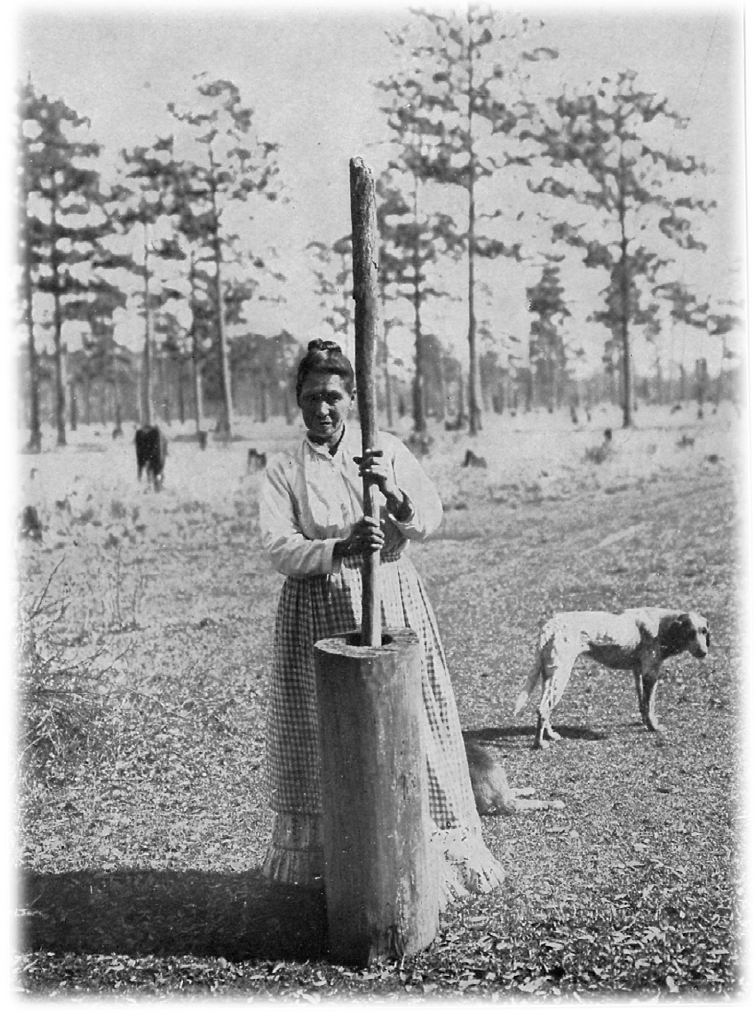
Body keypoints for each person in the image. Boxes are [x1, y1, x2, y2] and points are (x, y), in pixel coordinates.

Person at [258, 338, 504, 906]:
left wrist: (392, 493)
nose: (323, 410)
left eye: (334, 398)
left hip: (390, 597)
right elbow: (278, 547)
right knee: (327, 735)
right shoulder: (283, 470)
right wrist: (339, 547)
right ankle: (331, 868)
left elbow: (430, 520)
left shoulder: (385, 448)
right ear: (297, 399)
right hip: (316, 615)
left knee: (409, 721)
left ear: (353, 398)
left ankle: (428, 858)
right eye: (312, 398)